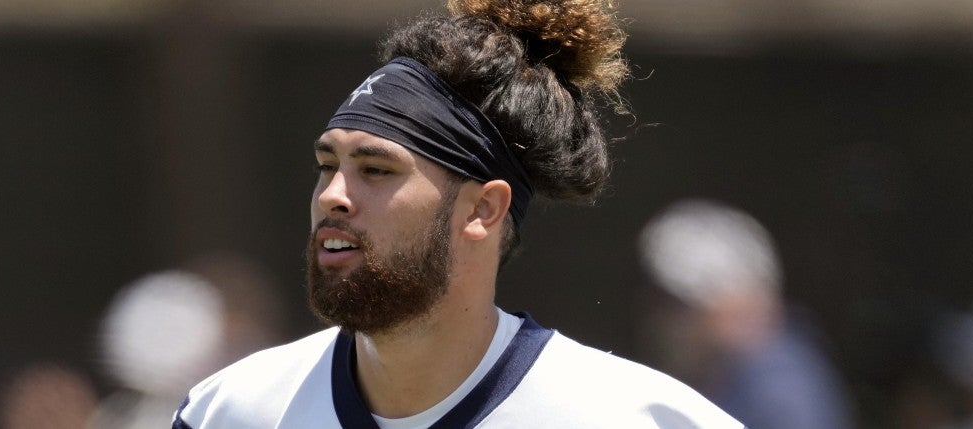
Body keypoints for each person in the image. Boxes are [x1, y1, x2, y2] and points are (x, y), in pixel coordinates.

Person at [173, 0, 742, 427]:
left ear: (483, 209)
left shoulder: (633, 418)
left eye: (376, 170)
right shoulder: (228, 412)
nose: (332, 196)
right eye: (328, 165)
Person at [637, 199, 851, 429]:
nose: (664, 320)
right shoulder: (730, 372)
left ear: (744, 298)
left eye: (681, 303)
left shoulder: (779, 393)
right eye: (661, 300)